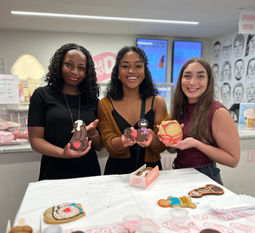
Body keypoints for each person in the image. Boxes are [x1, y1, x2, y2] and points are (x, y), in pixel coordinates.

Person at [28, 43, 103, 180]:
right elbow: (35, 140)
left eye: (81, 68)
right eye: (69, 64)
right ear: (59, 65)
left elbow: (98, 146)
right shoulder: (42, 95)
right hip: (54, 172)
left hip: (89, 174)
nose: (75, 71)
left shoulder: (92, 100)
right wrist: (64, 153)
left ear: (87, 72)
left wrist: (93, 133)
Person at [163, 57, 240, 184]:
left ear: (209, 81)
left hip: (205, 177)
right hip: (180, 173)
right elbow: (173, 150)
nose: (192, 82)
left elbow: (233, 160)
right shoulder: (181, 107)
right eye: (187, 76)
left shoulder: (218, 112)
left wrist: (197, 144)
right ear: (181, 79)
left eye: (200, 76)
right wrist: (168, 142)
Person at [98, 46, 169, 175]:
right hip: (116, 174)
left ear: (145, 71)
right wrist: (123, 141)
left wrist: (152, 138)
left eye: (138, 66)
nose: (131, 71)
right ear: (117, 72)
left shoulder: (157, 102)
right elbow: (108, 144)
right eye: (125, 66)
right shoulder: (105, 104)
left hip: (150, 173)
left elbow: (162, 146)